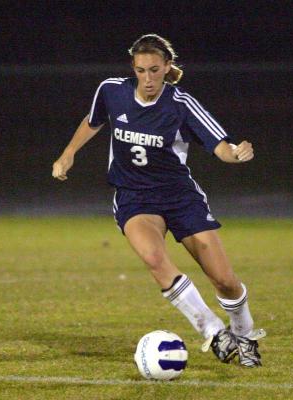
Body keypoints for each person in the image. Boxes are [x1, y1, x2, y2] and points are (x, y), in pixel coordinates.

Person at [52, 33, 266, 367]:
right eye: (141, 70)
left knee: (224, 279)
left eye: (154, 70)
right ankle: (212, 331)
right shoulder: (112, 90)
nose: (148, 78)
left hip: (180, 197)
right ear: (132, 68)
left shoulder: (181, 105)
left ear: (168, 67)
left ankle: (245, 334)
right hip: (134, 197)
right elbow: (93, 121)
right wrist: (68, 153)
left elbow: (221, 147)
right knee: (154, 257)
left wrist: (238, 154)